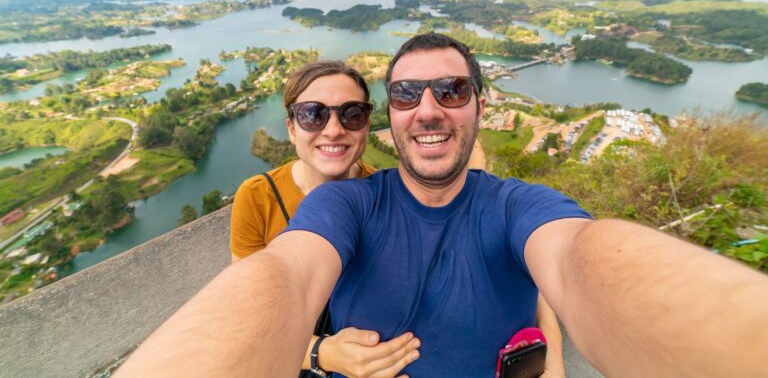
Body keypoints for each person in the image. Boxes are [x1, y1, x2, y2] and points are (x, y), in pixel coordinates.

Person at [116, 33, 768, 378]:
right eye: (408, 95)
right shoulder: (345, 206)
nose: (428, 108)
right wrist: (317, 355)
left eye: (452, 90)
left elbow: (574, 260)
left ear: (482, 107)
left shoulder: (518, 205)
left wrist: (557, 354)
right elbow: (277, 282)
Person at [230, 59, 564, 377]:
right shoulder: (259, 197)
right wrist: (323, 354)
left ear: (368, 124)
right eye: (312, 115)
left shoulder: (390, 195)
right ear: (291, 127)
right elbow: (246, 317)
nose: (333, 130)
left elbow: (514, 257)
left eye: (352, 114)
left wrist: (554, 359)